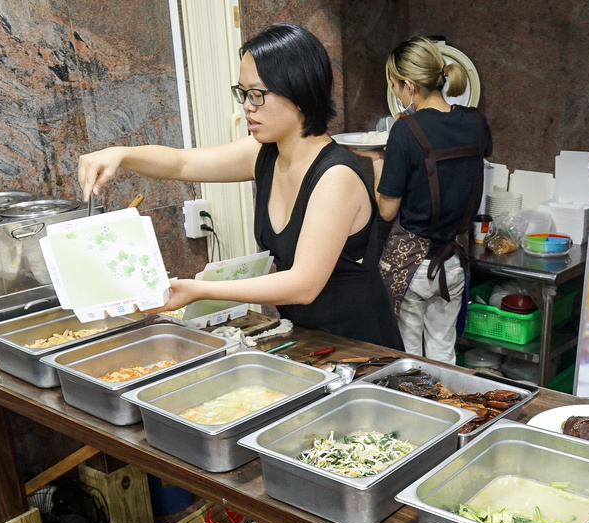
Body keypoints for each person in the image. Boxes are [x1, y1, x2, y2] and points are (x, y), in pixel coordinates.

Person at [77, 24, 403, 348]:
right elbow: (182, 163)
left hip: (362, 348)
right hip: (310, 340)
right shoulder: (264, 152)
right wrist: (120, 154)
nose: (246, 106)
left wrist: (199, 288)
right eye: (243, 93)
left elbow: (303, 284)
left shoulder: (335, 177)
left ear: (300, 93)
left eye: (258, 94)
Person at [355, 37, 491, 363]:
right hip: (455, 263)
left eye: (394, 86)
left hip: (411, 267)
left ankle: (414, 412)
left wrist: (377, 159)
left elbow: (387, 211)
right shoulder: (476, 122)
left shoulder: (405, 131)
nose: (397, 95)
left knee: (407, 358)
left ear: (408, 85)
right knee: (444, 352)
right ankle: (446, 411)